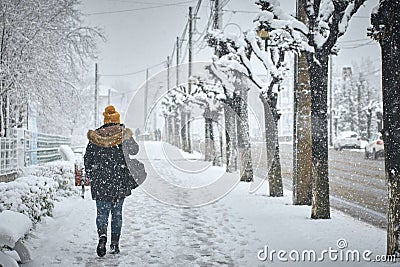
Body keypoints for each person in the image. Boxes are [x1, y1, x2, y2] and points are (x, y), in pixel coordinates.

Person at [84, 105, 139, 257]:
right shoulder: (123, 135)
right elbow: (135, 150)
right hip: (119, 182)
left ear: (105, 120)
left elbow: (87, 159)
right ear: (117, 120)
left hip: (101, 182)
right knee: (117, 214)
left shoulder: (95, 137)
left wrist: (91, 174)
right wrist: (127, 134)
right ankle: (114, 243)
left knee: (101, 213)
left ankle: (102, 237)